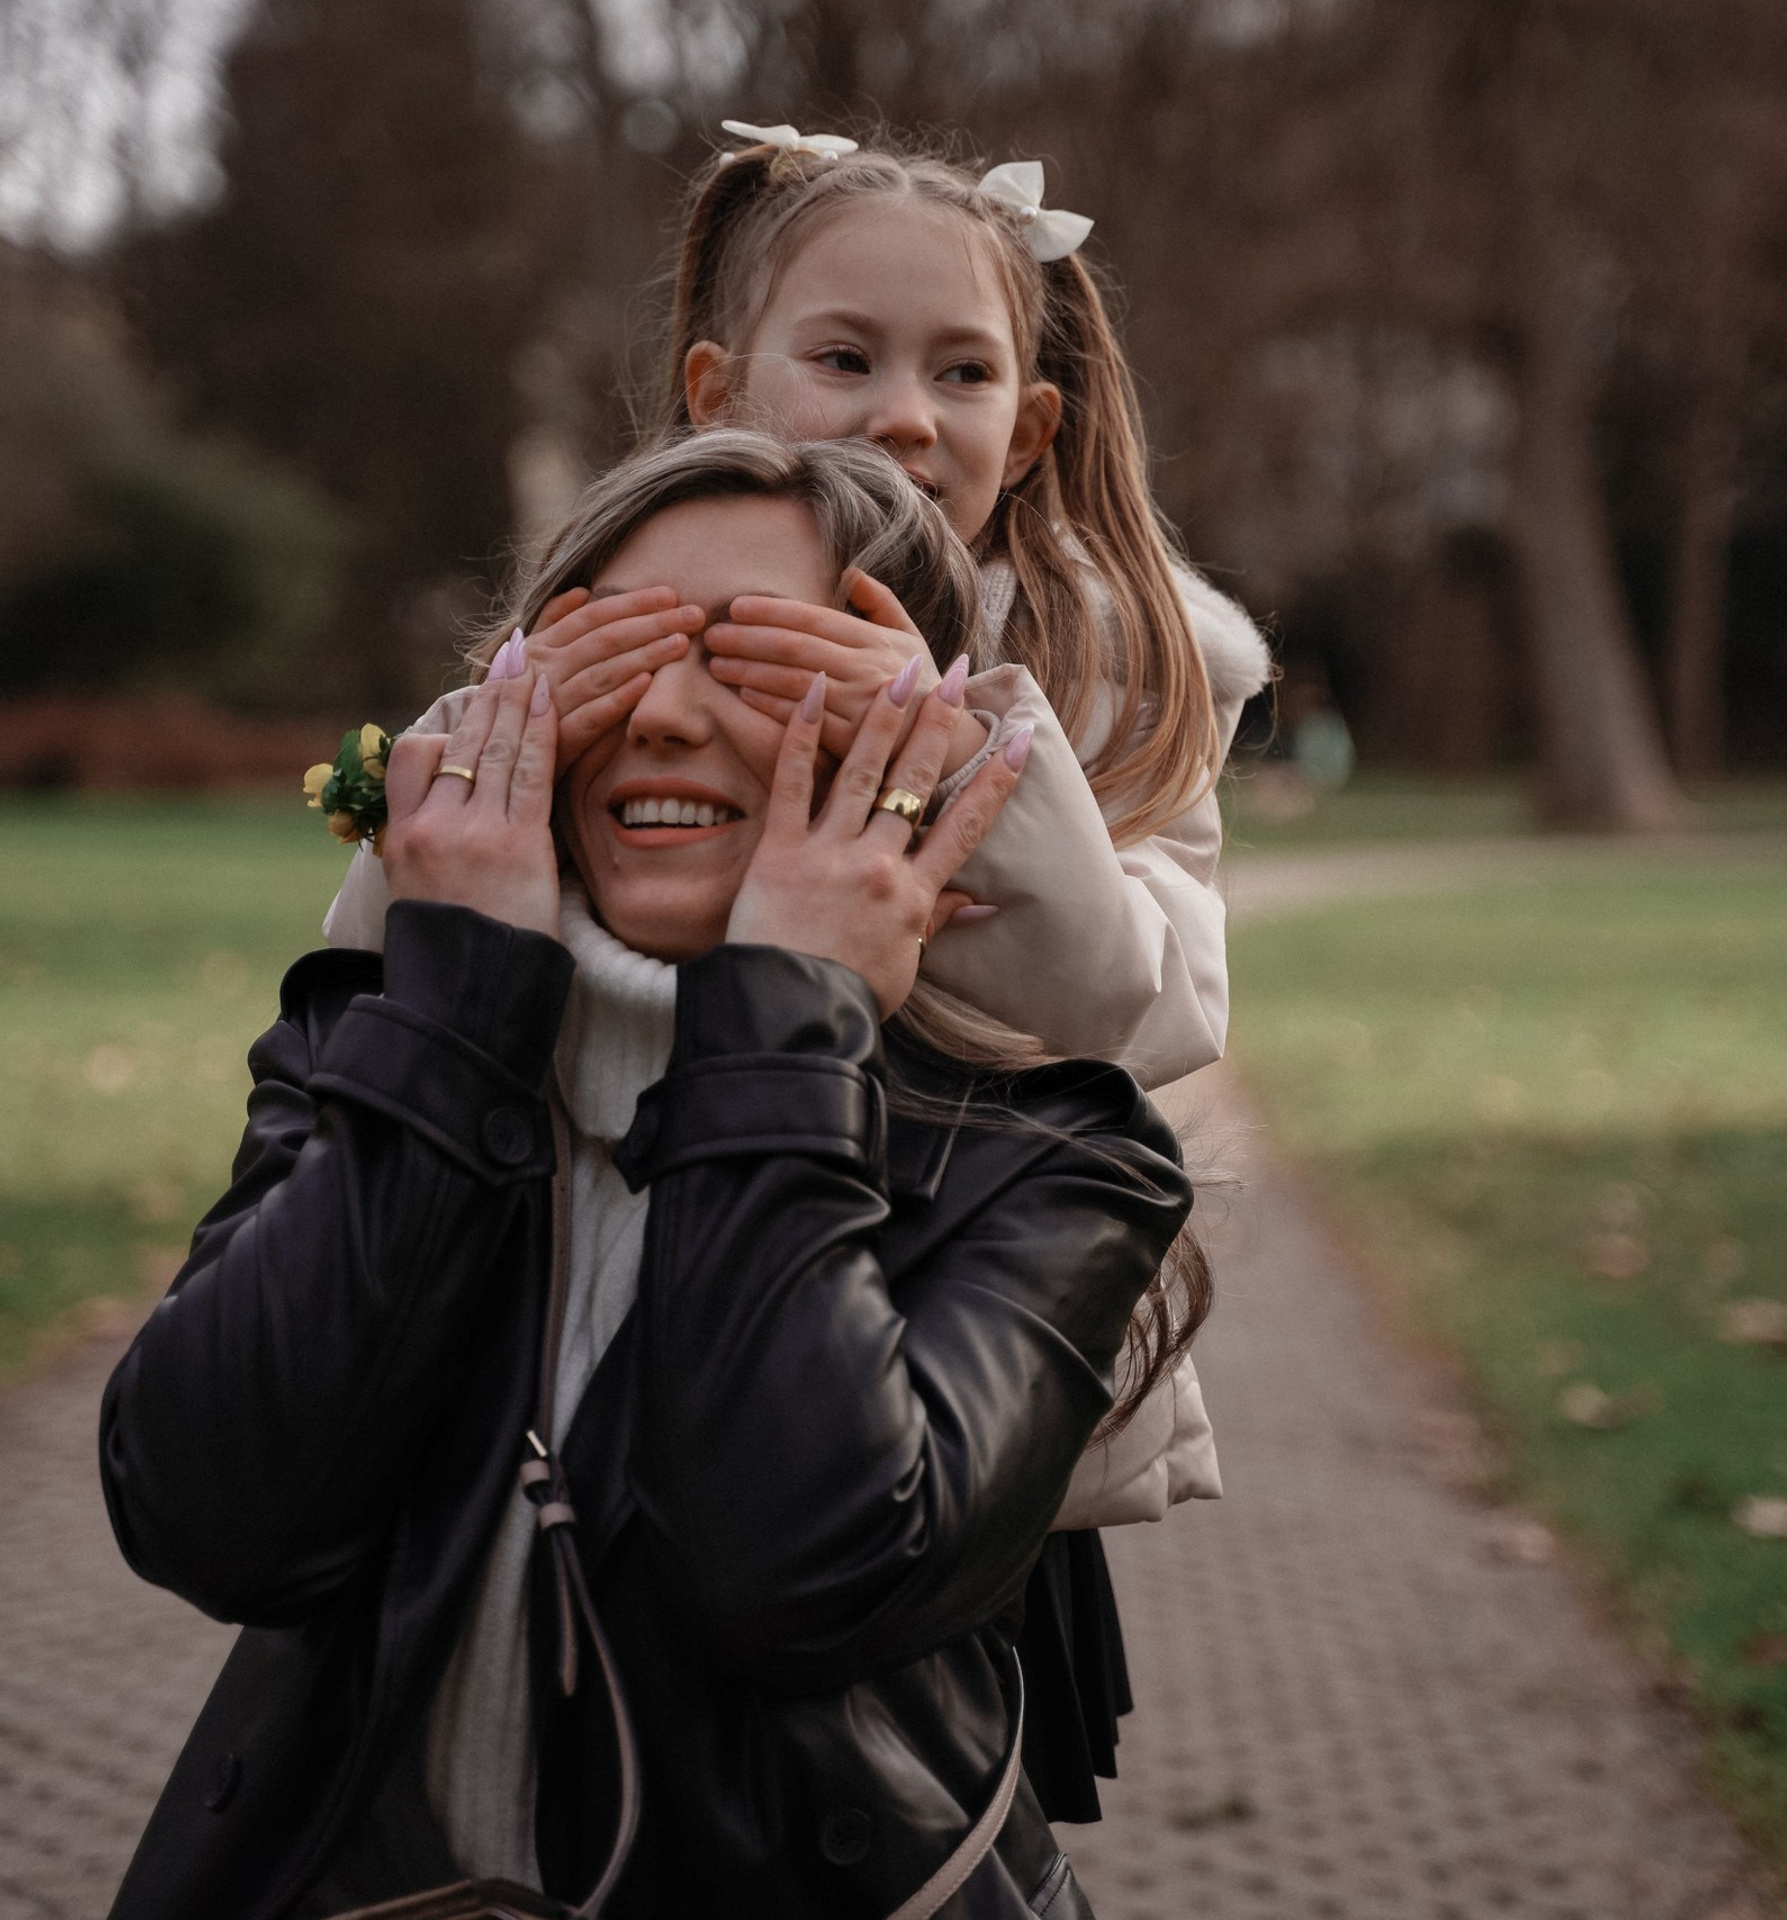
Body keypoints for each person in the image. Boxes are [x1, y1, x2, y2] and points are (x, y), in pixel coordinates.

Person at [99, 432, 1194, 1919]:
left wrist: (793, 1013)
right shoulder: (373, 1046)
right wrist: (456, 1005)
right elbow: (206, 1516)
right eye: (617, 657)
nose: (666, 716)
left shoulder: (1053, 1158)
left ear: (911, 744)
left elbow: (793, 1575)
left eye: (756, 662)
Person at [320, 120, 1257, 1538]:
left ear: (1030, 432)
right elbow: (382, 986)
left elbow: (1145, 1003)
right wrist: (477, 762)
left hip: (953, 1360)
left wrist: (960, 759)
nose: (906, 415)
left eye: (964, 372)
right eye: (845, 358)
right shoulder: (621, 618)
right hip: (592, 1308)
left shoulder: (1099, 687)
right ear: (715, 392)